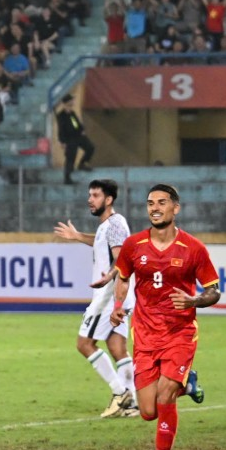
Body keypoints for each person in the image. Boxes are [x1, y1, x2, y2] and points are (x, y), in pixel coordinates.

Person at [105, 184, 219, 450]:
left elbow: (213, 291)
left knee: (166, 393)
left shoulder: (194, 248)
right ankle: (188, 382)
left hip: (180, 333)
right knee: (147, 411)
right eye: (150, 203)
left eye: (162, 202)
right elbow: (123, 278)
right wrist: (118, 307)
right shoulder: (133, 245)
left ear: (175, 208)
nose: (155, 208)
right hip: (145, 334)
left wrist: (194, 301)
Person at [53, 179, 138, 418]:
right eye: (90, 195)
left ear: (108, 199)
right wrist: (77, 235)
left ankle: (120, 393)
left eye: (96, 195)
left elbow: (121, 258)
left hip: (109, 296)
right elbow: (104, 242)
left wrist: (108, 277)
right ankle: (132, 404)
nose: (90, 199)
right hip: (118, 295)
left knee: (84, 344)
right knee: (117, 347)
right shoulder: (107, 226)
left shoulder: (115, 223)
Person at [55, 93, 94, 185]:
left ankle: (82, 163)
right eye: (71, 101)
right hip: (69, 138)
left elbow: (77, 124)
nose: (72, 102)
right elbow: (61, 129)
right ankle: (67, 177)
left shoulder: (72, 113)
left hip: (78, 136)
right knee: (70, 157)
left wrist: (82, 130)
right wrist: (62, 141)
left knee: (90, 147)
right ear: (66, 103)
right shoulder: (61, 115)